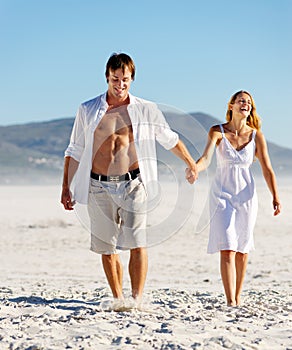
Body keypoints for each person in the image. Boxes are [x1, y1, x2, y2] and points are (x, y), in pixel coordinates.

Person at [61, 53, 198, 309]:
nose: (120, 85)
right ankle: (118, 298)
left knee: (137, 241)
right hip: (97, 185)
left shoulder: (145, 109)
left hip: (134, 183)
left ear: (132, 79)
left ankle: (136, 299)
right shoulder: (88, 109)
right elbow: (75, 149)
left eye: (125, 80)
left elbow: (169, 138)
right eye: (115, 79)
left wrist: (190, 163)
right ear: (106, 77)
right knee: (106, 245)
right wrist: (65, 187)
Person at [186, 90, 281, 306]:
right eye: (240, 101)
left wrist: (275, 195)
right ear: (231, 106)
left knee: (242, 249)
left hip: (246, 196)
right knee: (227, 247)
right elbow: (206, 159)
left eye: (248, 102)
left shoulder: (257, 136)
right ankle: (230, 301)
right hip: (222, 195)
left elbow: (267, 169)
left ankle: (237, 297)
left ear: (251, 108)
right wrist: (195, 169)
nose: (244, 104)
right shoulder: (217, 132)